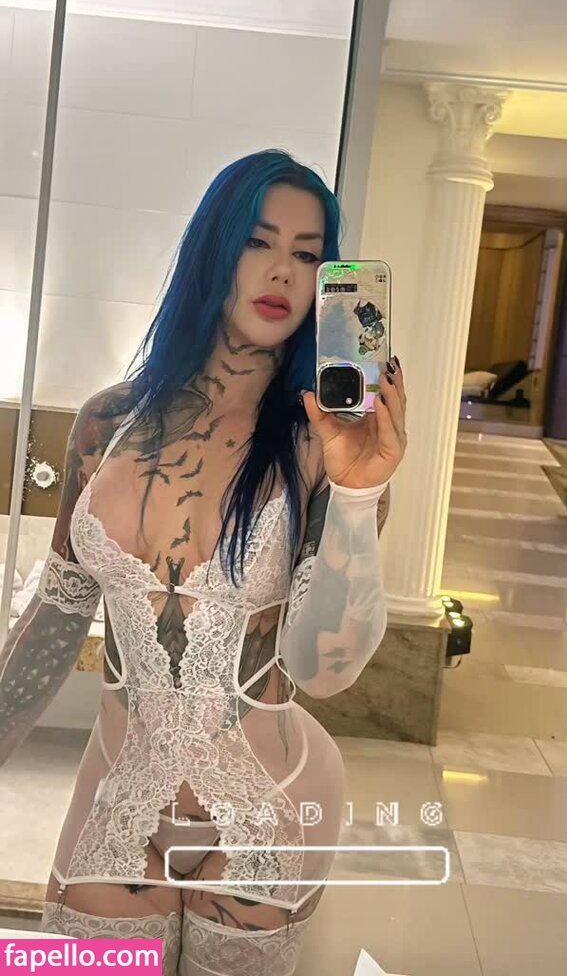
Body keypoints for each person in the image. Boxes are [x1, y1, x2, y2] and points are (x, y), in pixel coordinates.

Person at [0, 150, 407, 975]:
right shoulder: (107, 422)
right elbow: (56, 618)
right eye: (259, 241)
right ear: (213, 249)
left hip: (270, 808)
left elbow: (325, 671)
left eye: (307, 254)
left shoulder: (323, 447)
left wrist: (359, 494)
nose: (282, 271)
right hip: (117, 799)